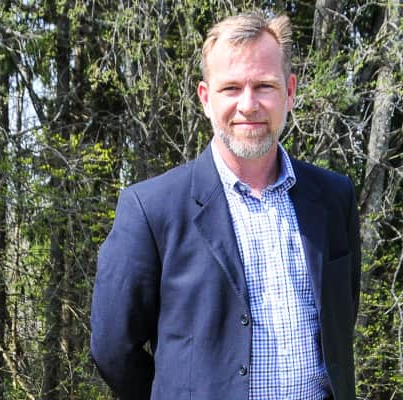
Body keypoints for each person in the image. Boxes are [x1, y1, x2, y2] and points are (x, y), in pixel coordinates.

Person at [91, 12, 361, 400]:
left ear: (290, 91)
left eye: (264, 86)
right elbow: (113, 348)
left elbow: (340, 320)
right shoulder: (151, 209)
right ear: (205, 98)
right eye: (231, 88)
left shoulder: (334, 197)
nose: (248, 105)